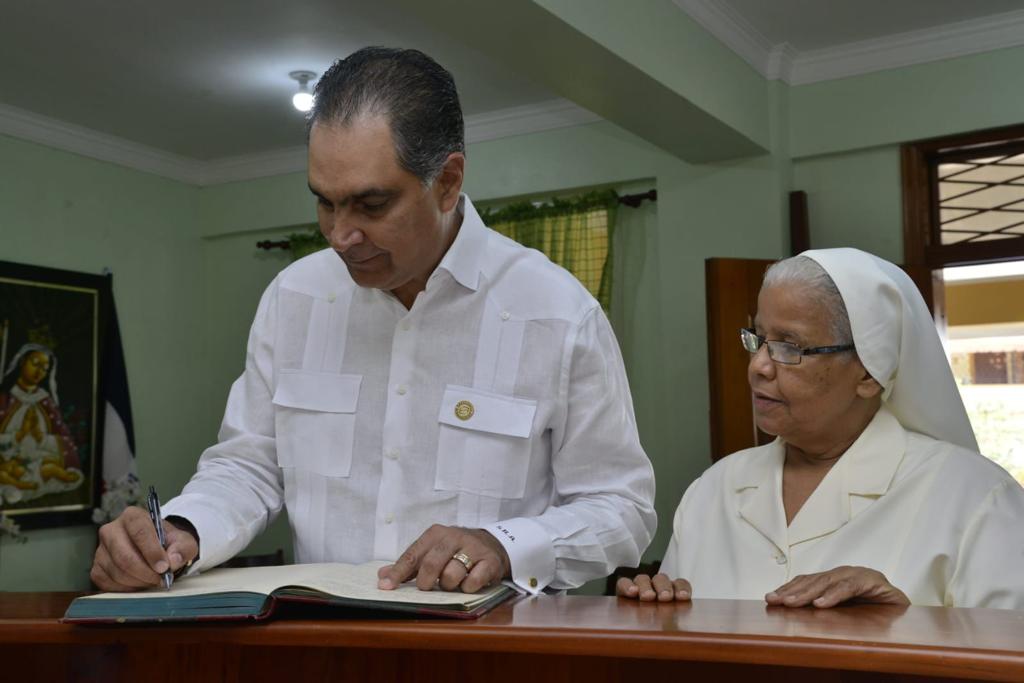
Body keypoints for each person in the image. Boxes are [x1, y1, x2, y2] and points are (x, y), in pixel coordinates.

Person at [91, 47, 656, 595]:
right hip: (324, 648)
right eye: (324, 202)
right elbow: (251, 466)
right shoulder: (295, 298)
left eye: (371, 204)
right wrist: (183, 531)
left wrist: (505, 544)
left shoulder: (558, 312)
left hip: (489, 654)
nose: (340, 235)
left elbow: (622, 510)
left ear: (448, 182)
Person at [618, 248, 1024, 609]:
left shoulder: (975, 498)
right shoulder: (715, 488)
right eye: (758, 339)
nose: (758, 366)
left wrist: (906, 623)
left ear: (869, 372)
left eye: (789, 347)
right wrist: (657, 611)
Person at [0, 343, 83, 502]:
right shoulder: (5, 400)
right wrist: (17, 436)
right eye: (35, 363)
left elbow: (65, 441)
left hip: (39, 461)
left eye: (45, 368)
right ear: (22, 361)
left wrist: (42, 438)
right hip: (8, 464)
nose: (39, 372)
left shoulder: (46, 402)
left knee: (52, 469)